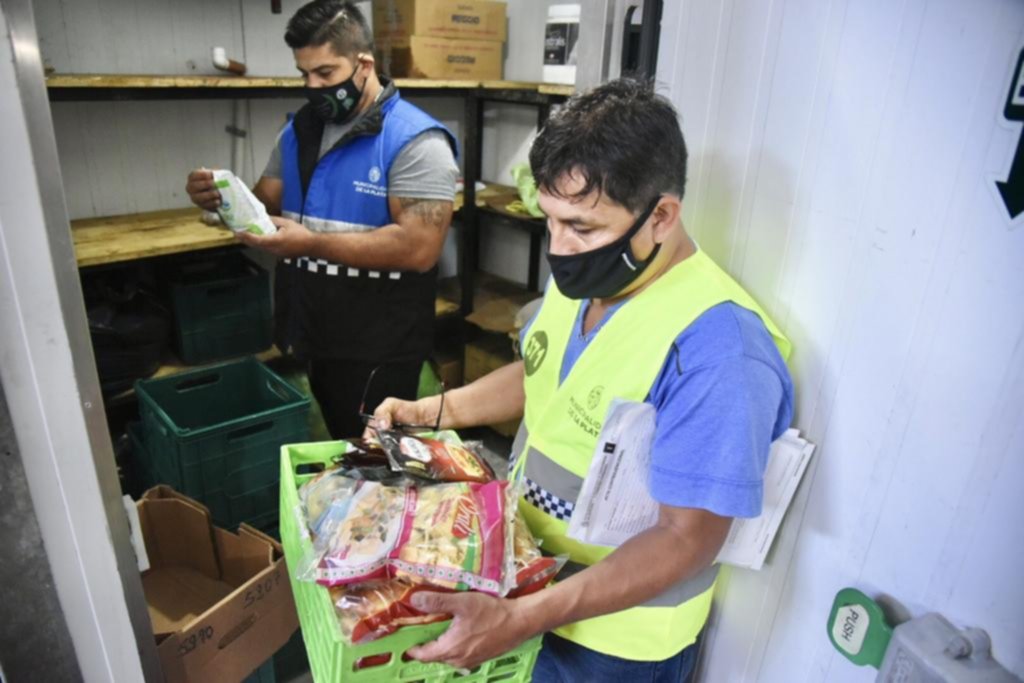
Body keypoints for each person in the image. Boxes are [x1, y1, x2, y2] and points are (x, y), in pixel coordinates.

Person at [369, 78, 794, 682]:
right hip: (525, 589)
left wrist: (527, 616)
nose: (559, 249)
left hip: (614, 644)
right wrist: (434, 412)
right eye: (549, 221)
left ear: (661, 217)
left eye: (582, 228)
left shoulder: (721, 353)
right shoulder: (594, 278)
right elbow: (546, 373)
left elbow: (686, 539)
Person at [185, 0, 458, 439]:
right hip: (315, 331)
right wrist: (220, 199)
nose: (313, 86)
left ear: (363, 63)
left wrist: (310, 243)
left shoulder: (415, 140)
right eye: (304, 74)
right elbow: (265, 204)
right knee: (342, 443)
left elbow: (420, 248)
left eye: (326, 73)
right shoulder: (297, 132)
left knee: (382, 461)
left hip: (380, 346)